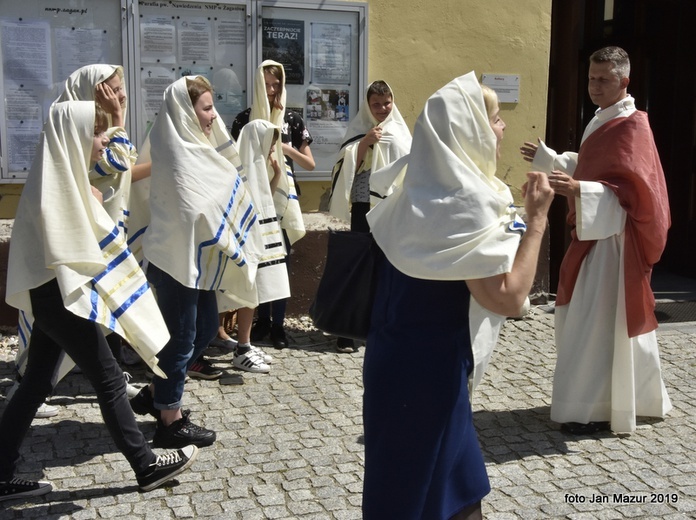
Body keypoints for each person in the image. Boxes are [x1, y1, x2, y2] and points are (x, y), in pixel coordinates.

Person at [362, 72, 554, 519]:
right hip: (428, 373)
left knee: (456, 489)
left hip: (398, 360)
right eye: (495, 119)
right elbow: (505, 296)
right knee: (424, 496)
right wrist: (539, 218)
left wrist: (520, 218)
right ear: (470, 130)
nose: (503, 127)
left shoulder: (421, 184)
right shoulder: (463, 198)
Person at [0, 101, 198, 502]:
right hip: (59, 295)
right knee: (108, 378)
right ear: (73, 138)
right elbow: (71, 247)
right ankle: (145, 465)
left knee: (37, 381)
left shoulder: (61, 178)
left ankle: (0, 472)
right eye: (95, 133)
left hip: (52, 293)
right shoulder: (58, 186)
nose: (102, 139)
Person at [520, 46, 672, 435]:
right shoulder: (603, 118)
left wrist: (580, 192)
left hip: (614, 247)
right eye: (591, 78)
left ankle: (591, 410)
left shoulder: (633, 125)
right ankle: (624, 399)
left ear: (624, 81)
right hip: (596, 238)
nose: (594, 86)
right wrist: (552, 159)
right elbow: (592, 166)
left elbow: (634, 194)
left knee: (597, 324)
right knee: (598, 324)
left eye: (603, 79)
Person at [6, 65, 150, 418]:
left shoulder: (92, 131)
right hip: (66, 259)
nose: (118, 97)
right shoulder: (73, 131)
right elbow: (119, 160)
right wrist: (117, 116)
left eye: (120, 91)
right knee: (67, 340)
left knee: (76, 334)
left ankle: (30, 391)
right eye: (111, 91)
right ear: (93, 91)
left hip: (87, 247)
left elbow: (121, 161)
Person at [129, 76, 264, 448]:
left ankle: (154, 393)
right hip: (175, 259)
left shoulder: (196, 146)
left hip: (195, 257)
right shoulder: (175, 147)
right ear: (187, 113)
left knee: (205, 329)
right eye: (206, 108)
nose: (213, 115)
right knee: (181, 338)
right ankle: (169, 420)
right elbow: (192, 204)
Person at [228, 60, 314, 353]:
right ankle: (261, 321)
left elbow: (309, 162)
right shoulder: (244, 119)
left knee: (282, 259)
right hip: (254, 197)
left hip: (284, 196)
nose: (272, 90)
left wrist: (284, 148)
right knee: (258, 256)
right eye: (266, 84)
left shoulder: (292, 119)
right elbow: (235, 160)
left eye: (276, 84)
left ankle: (278, 324)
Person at [327, 79, 412, 353]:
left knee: (388, 265)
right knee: (360, 266)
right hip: (364, 205)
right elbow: (346, 162)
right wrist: (366, 141)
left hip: (391, 208)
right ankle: (348, 331)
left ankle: (383, 324)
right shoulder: (358, 129)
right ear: (367, 105)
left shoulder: (400, 130)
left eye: (387, 103)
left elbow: (409, 167)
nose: (382, 108)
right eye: (376, 104)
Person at [232, 120, 291, 373]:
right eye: (270, 145)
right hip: (244, 242)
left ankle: (243, 344)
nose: (272, 150)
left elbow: (264, 196)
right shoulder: (240, 168)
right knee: (246, 291)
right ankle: (241, 347)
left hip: (253, 240)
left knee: (252, 293)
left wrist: (277, 174)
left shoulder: (256, 167)